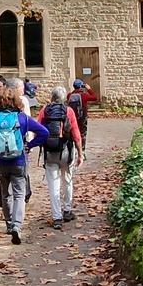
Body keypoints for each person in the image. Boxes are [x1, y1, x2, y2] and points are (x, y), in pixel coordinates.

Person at [0, 84, 49, 244]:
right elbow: (44, 132)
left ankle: (8, 224)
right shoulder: (22, 118)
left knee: (5, 193)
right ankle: (17, 226)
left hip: (0, 161)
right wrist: (30, 145)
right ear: (17, 101)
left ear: (0, 101)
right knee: (19, 194)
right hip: (19, 160)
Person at [38, 87, 84, 229]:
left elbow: (38, 128)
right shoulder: (68, 111)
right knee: (67, 180)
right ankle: (67, 210)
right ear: (64, 98)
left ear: (52, 97)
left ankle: (57, 217)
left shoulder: (45, 110)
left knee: (53, 185)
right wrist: (80, 154)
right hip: (66, 151)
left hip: (50, 152)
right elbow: (76, 134)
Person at [70, 79, 98, 149]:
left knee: (73, 132)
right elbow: (95, 97)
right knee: (83, 133)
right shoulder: (84, 95)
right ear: (81, 86)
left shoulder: (69, 95)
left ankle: (73, 150)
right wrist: (89, 89)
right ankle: (82, 150)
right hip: (82, 117)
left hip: (73, 118)